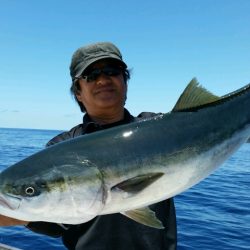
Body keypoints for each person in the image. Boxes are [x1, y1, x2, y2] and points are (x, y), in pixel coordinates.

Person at [0, 42, 177, 249]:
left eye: (112, 71)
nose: (103, 80)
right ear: (78, 93)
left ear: (125, 82)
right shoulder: (61, 147)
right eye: (91, 75)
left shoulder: (159, 129)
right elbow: (58, 225)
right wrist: (17, 213)